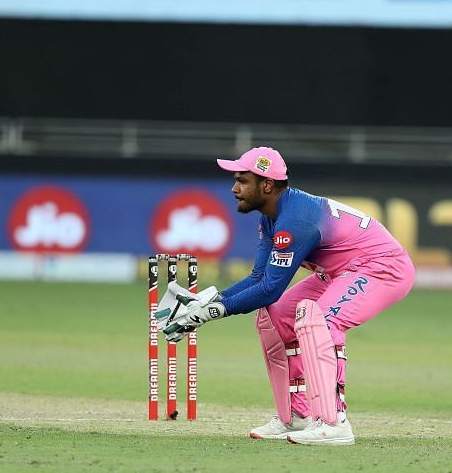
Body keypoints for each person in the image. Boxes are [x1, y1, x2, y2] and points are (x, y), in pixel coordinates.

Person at [160, 146, 415, 445]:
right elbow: (259, 279)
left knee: (320, 320)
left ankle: (334, 423)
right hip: (341, 271)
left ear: (266, 185)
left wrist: (212, 312)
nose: (234, 188)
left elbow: (271, 287)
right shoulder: (271, 217)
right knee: (275, 315)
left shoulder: (296, 221)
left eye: (242, 180)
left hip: (381, 268)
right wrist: (212, 299)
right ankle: (296, 415)